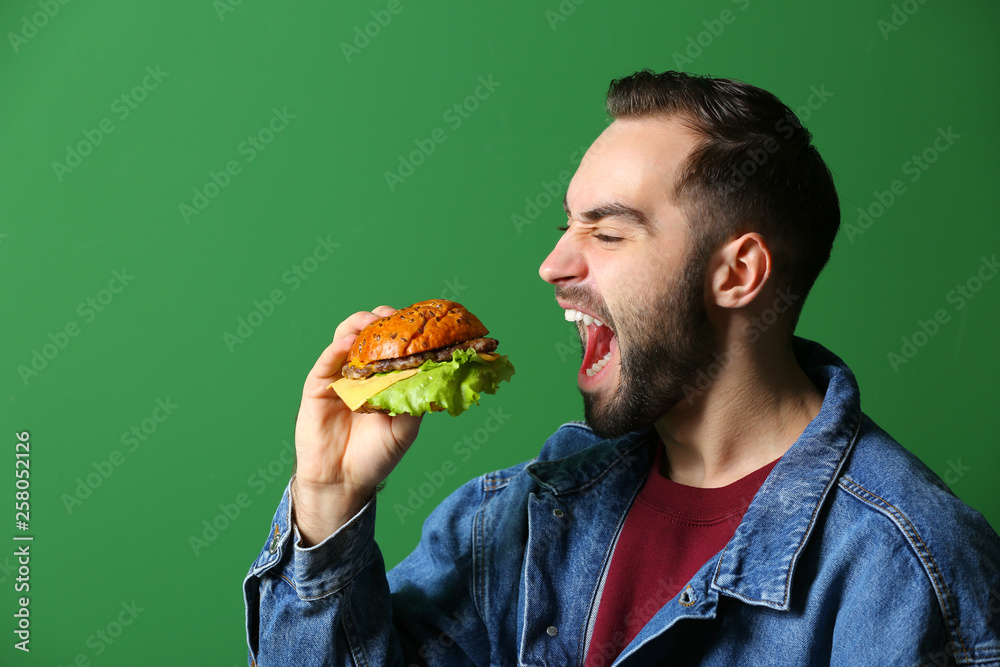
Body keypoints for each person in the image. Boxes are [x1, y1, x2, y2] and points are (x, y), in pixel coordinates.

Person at [243, 70, 1000, 666]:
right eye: (567, 224)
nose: (551, 264)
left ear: (737, 275)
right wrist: (326, 502)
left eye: (606, 233)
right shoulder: (519, 521)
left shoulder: (909, 570)